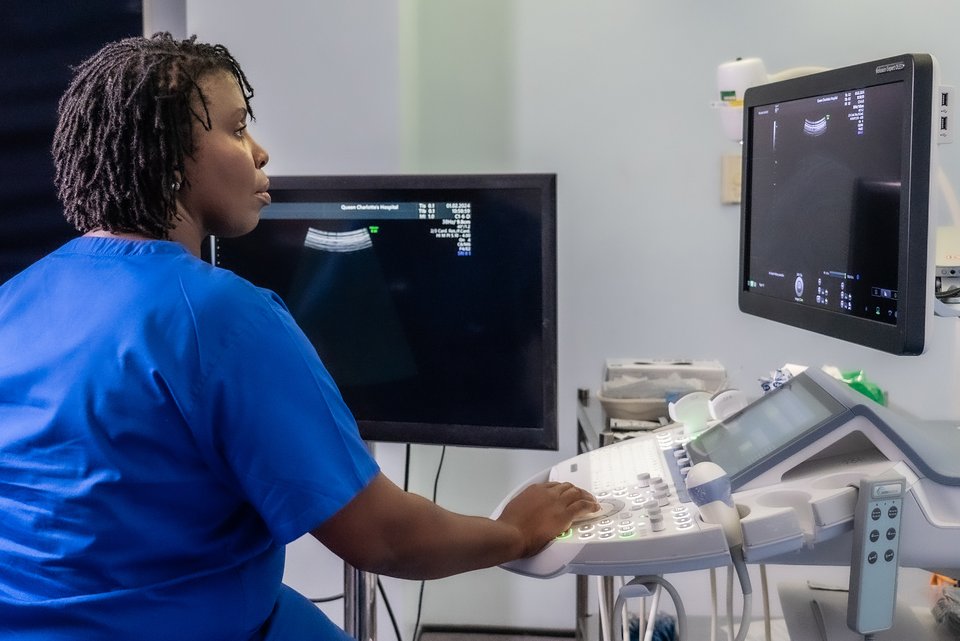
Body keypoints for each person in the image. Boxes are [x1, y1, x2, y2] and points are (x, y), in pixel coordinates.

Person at [0, 33, 597, 640]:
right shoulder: (221, 316)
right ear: (170, 155)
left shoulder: (14, 299)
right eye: (236, 129)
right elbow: (386, 541)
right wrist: (517, 532)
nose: (259, 153)